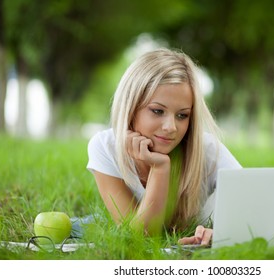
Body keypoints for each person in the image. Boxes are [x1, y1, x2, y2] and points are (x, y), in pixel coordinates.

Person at [87, 48, 241, 246]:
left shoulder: (207, 149)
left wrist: (219, 233)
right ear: (131, 107)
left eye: (182, 115)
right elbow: (139, 238)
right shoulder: (106, 147)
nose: (171, 127)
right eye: (158, 111)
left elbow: (253, 205)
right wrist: (160, 168)